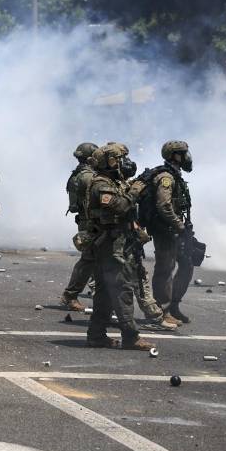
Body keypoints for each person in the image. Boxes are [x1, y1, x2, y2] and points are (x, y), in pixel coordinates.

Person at [84, 142, 154, 351]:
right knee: (122, 290)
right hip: (110, 246)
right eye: (119, 159)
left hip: (115, 244)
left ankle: (96, 335)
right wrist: (135, 191)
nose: (124, 163)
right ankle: (131, 337)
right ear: (109, 162)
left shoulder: (114, 182)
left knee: (105, 292)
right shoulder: (101, 185)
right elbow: (120, 206)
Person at [147, 140, 197, 325]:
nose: (186, 157)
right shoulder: (166, 177)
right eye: (183, 154)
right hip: (165, 230)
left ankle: (173, 306)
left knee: (187, 265)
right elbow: (164, 206)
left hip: (175, 229)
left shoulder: (175, 175)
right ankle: (162, 310)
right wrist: (179, 226)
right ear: (174, 155)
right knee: (165, 269)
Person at [58, 142, 98, 311]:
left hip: (86, 220)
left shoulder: (78, 174)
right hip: (91, 222)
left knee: (94, 259)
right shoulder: (88, 177)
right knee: (89, 259)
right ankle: (70, 296)